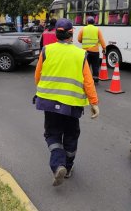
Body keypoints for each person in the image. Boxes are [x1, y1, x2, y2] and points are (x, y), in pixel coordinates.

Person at [34, 18, 100, 186]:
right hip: (72, 105)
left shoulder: (46, 51)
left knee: (52, 133)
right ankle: (68, 168)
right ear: (71, 34)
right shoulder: (80, 54)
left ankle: (58, 165)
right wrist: (94, 103)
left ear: (56, 33)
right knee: (71, 135)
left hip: (49, 103)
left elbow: (38, 76)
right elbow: (88, 82)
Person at [78, 16, 106, 83]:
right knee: (95, 65)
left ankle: (85, 79)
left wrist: (83, 41)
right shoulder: (97, 29)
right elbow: (101, 40)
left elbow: (79, 39)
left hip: (85, 51)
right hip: (95, 51)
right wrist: (104, 48)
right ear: (94, 22)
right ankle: (95, 78)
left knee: (86, 66)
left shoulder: (83, 29)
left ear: (87, 22)